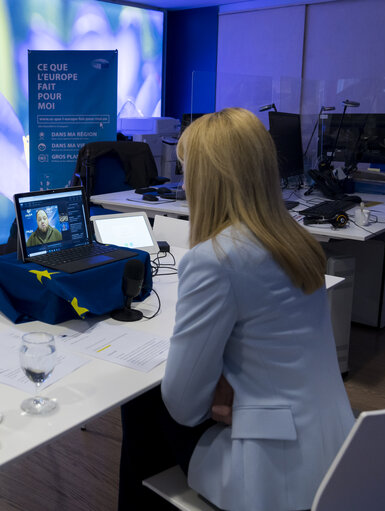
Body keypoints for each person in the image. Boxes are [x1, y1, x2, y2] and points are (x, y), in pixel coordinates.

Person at [119, 108, 354, 511]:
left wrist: (218, 394)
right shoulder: (296, 240)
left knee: (141, 404)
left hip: (272, 475)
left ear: (205, 179)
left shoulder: (215, 259)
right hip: (336, 451)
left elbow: (183, 406)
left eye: (185, 171)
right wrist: (226, 384)